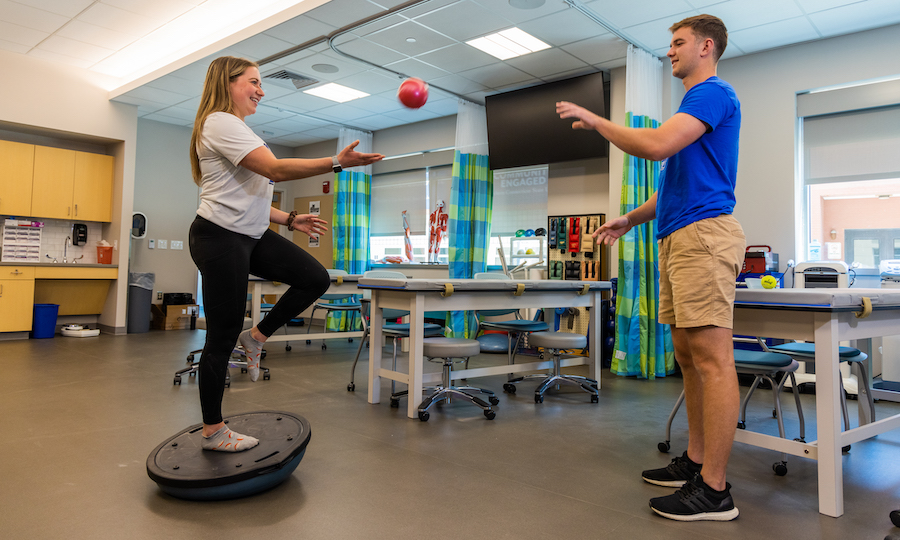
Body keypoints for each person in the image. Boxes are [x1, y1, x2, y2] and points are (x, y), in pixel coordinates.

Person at [557, 14, 744, 522]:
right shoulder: (694, 104)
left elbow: (657, 145)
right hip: (678, 235)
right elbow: (672, 185)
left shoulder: (712, 93)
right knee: (687, 355)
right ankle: (698, 462)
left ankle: (715, 491)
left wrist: (599, 122)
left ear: (707, 46)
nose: (670, 51)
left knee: (711, 359)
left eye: (678, 42)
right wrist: (629, 219)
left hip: (703, 236)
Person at [189, 56, 383, 452]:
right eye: (253, 82)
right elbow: (275, 172)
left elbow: (246, 193)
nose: (261, 90)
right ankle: (213, 430)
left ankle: (257, 336)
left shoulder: (237, 127)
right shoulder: (219, 122)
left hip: (250, 233)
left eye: (261, 83)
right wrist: (335, 163)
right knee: (221, 337)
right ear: (227, 83)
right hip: (220, 238)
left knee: (315, 277)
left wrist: (289, 219)